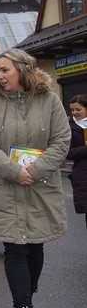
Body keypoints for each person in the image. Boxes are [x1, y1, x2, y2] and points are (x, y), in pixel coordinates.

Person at [0, 48, 70, 308]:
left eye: (4, 70)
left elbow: (61, 140)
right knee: (15, 249)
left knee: (34, 246)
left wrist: (35, 168)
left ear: (23, 69)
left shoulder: (50, 100)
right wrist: (13, 170)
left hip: (40, 186)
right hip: (6, 185)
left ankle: (26, 292)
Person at [67, 94, 87, 228]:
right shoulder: (68, 128)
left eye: (78, 109)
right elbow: (68, 153)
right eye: (72, 110)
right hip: (83, 175)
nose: (75, 113)